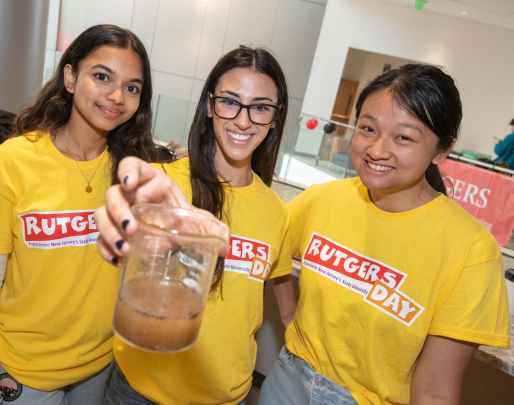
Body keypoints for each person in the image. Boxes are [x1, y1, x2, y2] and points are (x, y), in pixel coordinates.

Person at [258, 64, 511, 405]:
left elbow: (435, 391)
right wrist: (290, 317)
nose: (377, 149)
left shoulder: (470, 251)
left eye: (404, 137)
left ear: (442, 150)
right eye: (367, 128)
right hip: (288, 380)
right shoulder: (323, 199)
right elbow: (272, 248)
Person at [0, 24, 157, 404]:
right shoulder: (16, 160)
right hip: (22, 369)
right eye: (101, 76)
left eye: (132, 87)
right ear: (71, 76)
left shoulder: (135, 174)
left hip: (98, 366)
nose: (116, 96)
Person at [95, 46, 297, 405]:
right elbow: (128, 218)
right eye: (230, 101)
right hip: (140, 392)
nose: (243, 120)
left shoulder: (276, 211)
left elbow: (270, 301)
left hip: (226, 394)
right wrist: (125, 214)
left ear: (275, 118)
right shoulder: (162, 185)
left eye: (261, 107)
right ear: (209, 105)